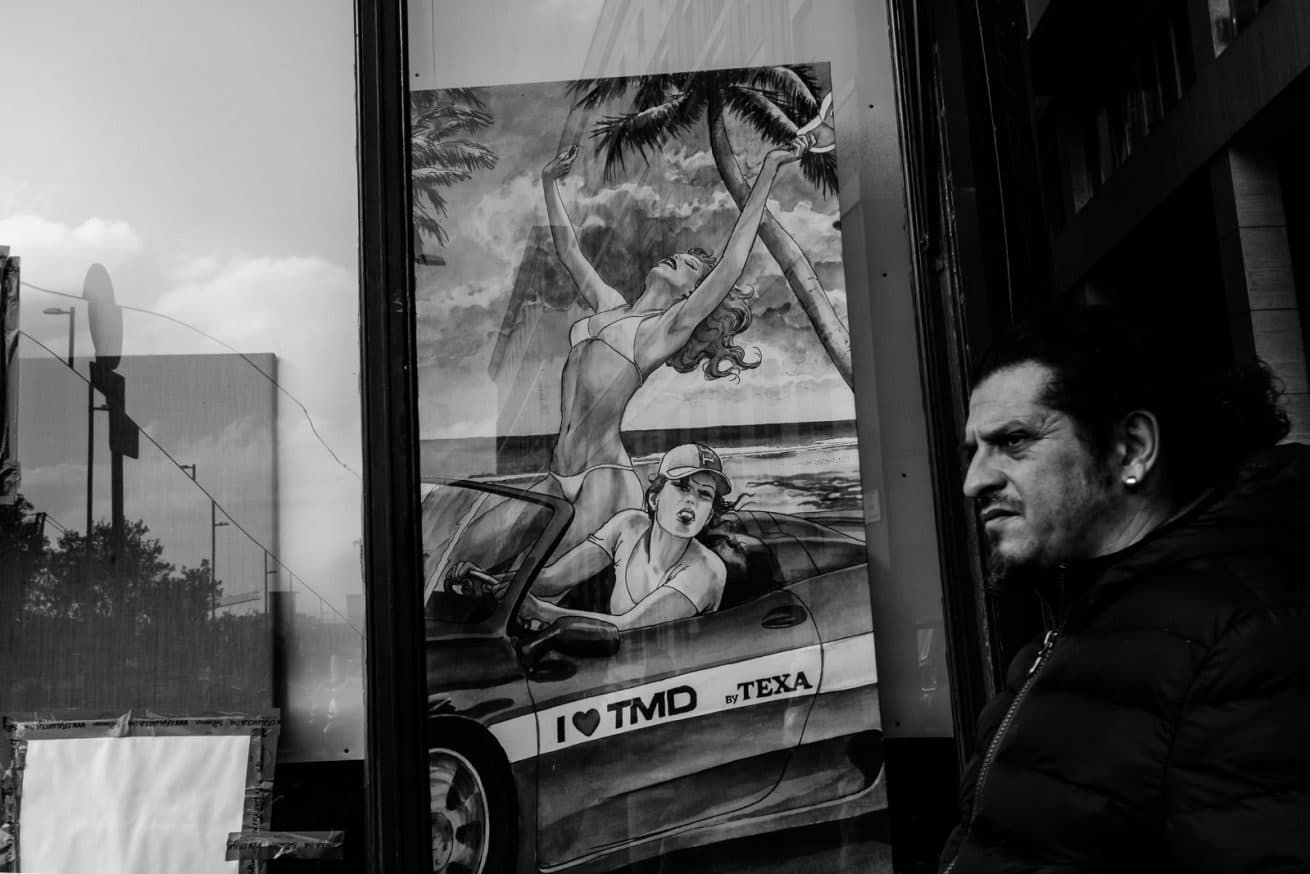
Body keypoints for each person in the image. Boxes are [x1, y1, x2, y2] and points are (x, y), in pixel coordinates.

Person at [940, 305, 1310, 872]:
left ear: (1132, 448)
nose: (974, 481)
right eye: (975, 451)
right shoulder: (1073, 624)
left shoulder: (1244, 642)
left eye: (1013, 441)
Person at [519, 443, 738, 631]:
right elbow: (550, 581)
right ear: (654, 498)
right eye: (682, 486)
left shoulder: (708, 571)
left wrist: (539, 611)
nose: (691, 500)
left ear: (709, 516)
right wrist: (507, 585)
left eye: (704, 494)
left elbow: (627, 627)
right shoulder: (629, 525)